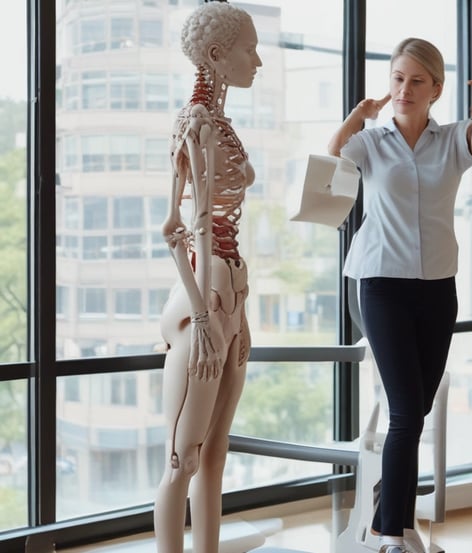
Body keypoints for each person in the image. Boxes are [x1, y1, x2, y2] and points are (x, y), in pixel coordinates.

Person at [328, 37, 472, 553]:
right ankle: (390, 538)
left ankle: (392, 520)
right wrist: (357, 115)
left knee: (416, 409)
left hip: (437, 288)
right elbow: (333, 156)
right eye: (397, 78)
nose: (403, 89)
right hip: (378, 283)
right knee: (406, 412)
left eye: (416, 81)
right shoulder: (372, 141)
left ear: (436, 89)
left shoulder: (451, 141)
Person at [154, 2, 261, 552]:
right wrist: (203, 318)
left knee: (216, 455)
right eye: (250, 49)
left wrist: (234, 316)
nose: (258, 61)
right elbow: (177, 227)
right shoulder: (195, 123)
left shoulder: (221, 124)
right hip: (205, 298)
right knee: (183, 458)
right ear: (218, 55)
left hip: (231, 295)